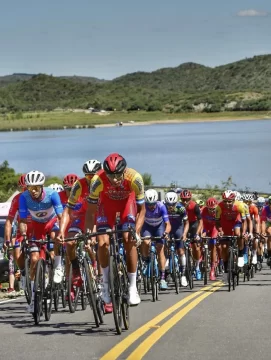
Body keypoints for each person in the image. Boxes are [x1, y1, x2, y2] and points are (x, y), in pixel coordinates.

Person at [85, 153, 146, 311]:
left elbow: (142, 209)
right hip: (107, 207)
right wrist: (88, 232)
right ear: (105, 173)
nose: (116, 179)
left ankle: (132, 287)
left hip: (128, 205)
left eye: (118, 175)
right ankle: (105, 285)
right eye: (111, 176)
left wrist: (137, 232)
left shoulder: (135, 178)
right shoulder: (97, 181)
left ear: (124, 171)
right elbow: (91, 211)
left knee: (129, 238)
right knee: (102, 242)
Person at [19, 170, 63, 312]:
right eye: (30, 188)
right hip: (36, 227)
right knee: (33, 258)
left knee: (56, 236)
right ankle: (33, 298)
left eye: (36, 188)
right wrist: (24, 235)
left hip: (52, 222)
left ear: (42, 186)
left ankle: (57, 265)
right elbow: (23, 220)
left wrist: (61, 233)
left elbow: (61, 216)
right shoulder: (24, 197)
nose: (33, 191)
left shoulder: (52, 194)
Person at [57, 161, 102, 297]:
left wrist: (94, 233)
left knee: (102, 244)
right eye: (87, 176)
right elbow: (67, 210)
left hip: (101, 215)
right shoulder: (79, 186)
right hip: (82, 218)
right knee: (70, 243)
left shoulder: (105, 183)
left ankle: (101, 278)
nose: (90, 179)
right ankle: (76, 270)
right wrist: (61, 232)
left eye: (93, 176)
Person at [4, 174, 32, 296]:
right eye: (23, 188)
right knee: (16, 252)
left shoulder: (38, 197)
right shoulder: (17, 199)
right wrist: (7, 240)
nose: (25, 191)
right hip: (22, 229)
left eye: (27, 188)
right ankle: (23, 272)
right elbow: (9, 221)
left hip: (38, 227)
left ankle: (49, 271)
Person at [141, 189, 171, 290]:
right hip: (147, 226)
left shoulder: (161, 206)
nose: (151, 206)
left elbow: (168, 224)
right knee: (145, 241)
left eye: (153, 204)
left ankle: (162, 278)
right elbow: (138, 219)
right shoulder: (143, 206)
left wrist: (166, 233)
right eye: (149, 204)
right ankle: (145, 260)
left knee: (160, 249)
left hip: (159, 227)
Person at [164, 191, 189, 287]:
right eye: (168, 204)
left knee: (181, 251)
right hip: (167, 228)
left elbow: (186, 223)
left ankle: (183, 275)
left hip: (178, 228)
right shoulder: (163, 207)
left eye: (173, 204)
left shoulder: (181, 208)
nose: (170, 207)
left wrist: (185, 234)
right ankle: (166, 272)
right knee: (165, 250)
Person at [179, 189, 203, 280]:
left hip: (193, 225)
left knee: (196, 248)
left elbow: (200, 221)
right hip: (183, 224)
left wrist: (197, 233)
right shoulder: (178, 206)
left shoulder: (195, 206)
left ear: (190, 198)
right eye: (183, 199)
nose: (185, 202)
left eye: (187, 199)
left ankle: (197, 267)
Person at [201, 197, 218, 280]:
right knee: (200, 239)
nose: (211, 211)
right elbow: (201, 223)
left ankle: (212, 270)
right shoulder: (203, 211)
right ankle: (201, 259)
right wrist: (202, 231)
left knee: (213, 245)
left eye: (213, 209)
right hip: (206, 227)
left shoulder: (219, 211)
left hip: (215, 228)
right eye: (209, 209)